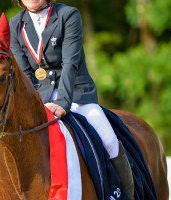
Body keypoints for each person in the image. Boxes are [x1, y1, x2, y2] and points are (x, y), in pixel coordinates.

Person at [10, 0, 134, 199]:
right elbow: (25, 74)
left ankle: (126, 195)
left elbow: (70, 63)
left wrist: (62, 103)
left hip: (76, 93)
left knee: (109, 140)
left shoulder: (68, 14)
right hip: (39, 98)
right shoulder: (15, 24)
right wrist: (34, 105)